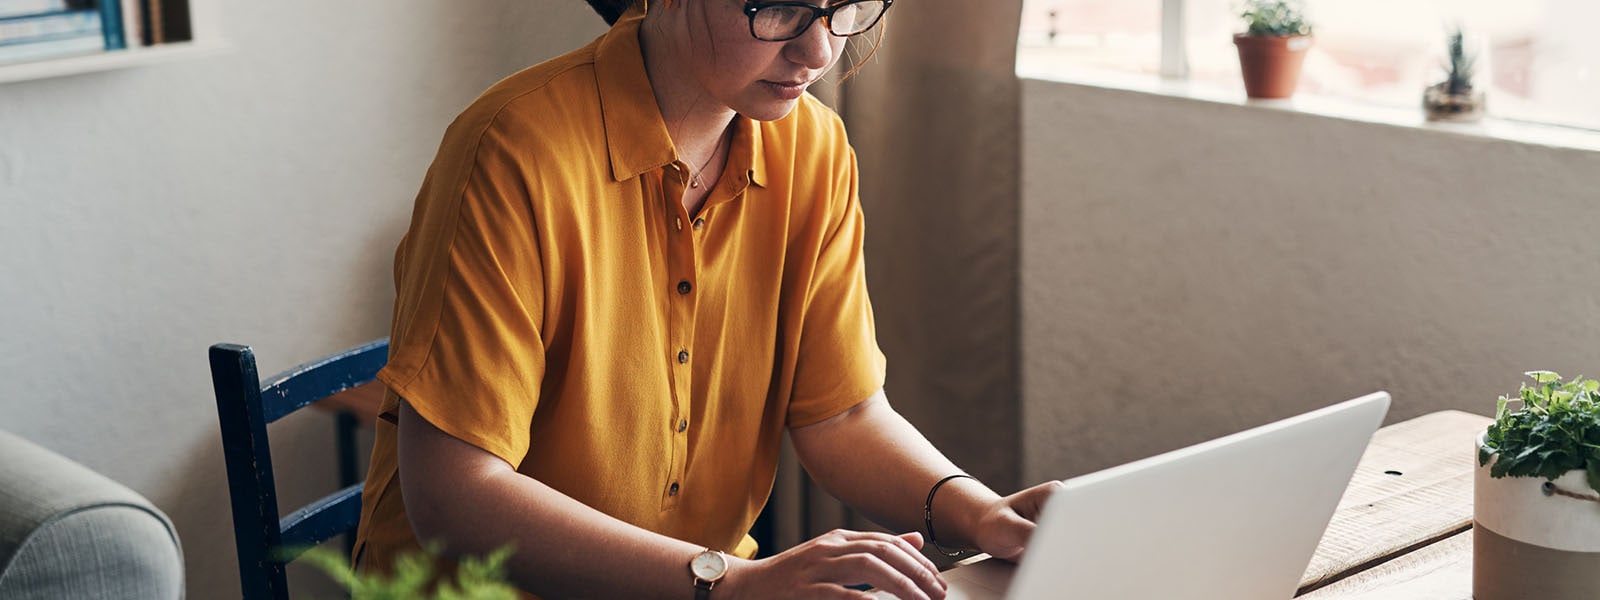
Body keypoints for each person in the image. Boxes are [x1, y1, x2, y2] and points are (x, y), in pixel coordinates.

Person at [351, 0, 1061, 598]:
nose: (818, 50)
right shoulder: (513, 151)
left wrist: (981, 512)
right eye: (779, 7)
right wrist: (729, 583)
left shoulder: (813, 150)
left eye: (844, 5)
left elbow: (842, 414)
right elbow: (456, 493)